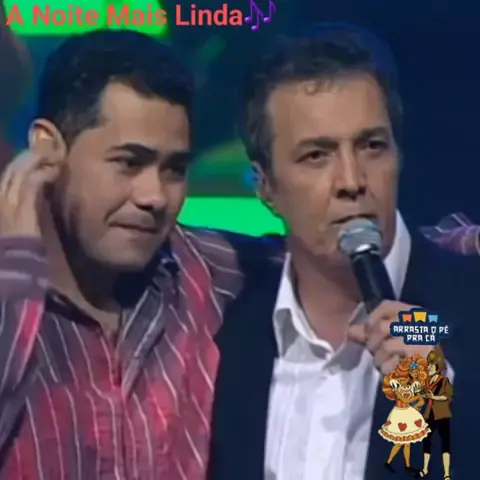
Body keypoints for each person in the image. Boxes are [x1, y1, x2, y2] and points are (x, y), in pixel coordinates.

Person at [208, 23, 480, 480]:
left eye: (372, 146)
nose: (352, 181)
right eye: (317, 155)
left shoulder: (470, 307)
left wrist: (436, 399)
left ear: (399, 155)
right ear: (266, 187)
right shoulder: (232, 338)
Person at [0, 29, 276, 478]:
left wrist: (405, 333)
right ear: (48, 149)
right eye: (129, 162)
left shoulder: (207, 271)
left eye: (174, 169)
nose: (155, 196)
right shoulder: (8, 285)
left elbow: (359, 279)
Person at [379, 355, 429, 472]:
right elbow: (404, 399)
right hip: (399, 414)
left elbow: (421, 400)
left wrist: (417, 404)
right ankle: (389, 462)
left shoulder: (413, 385)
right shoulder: (397, 384)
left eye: (417, 372)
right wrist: (416, 397)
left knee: (406, 443)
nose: (415, 374)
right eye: (413, 372)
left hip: (408, 413)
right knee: (400, 442)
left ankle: (406, 465)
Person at [416, 350, 454, 479]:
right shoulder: (427, 382)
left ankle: (446, 474)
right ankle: (425, 469)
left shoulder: (444, 381)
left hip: (442, 414)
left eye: (431, 366)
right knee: (426, 440)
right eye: (428, 366)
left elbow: (447, 396)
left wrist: (434, 397)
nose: (429, 368)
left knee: (445, 443)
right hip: (430, 414)